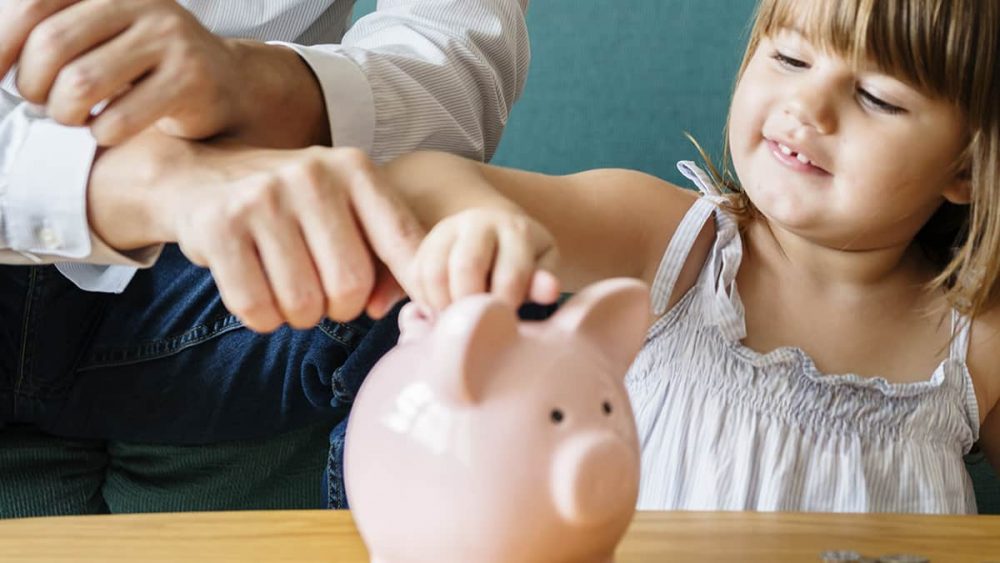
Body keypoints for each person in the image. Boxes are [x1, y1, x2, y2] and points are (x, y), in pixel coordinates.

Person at [375, 0, 1000, 513]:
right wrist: (486, 220)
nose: (806, 107)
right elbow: (418, 180)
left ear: (967, 165)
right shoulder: (674, 243)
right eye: (789, 57)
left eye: (877, 97)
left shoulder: (976, 342)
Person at [0, 0, 530, 515]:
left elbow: (452, 58)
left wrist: (264, 85)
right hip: (229, 226)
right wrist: (142, 182)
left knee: (420, 282)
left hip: (251, 285)